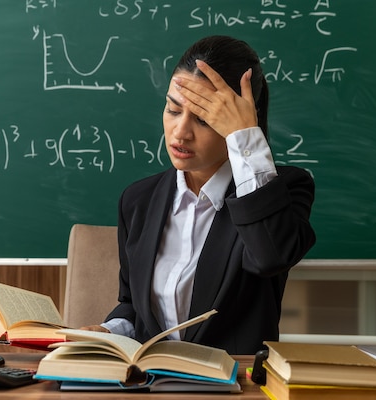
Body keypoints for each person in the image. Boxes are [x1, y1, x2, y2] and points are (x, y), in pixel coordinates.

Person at [82, 35, 316, 355]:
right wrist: (109, 330)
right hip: (151, 382)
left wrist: (247, 137)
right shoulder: (138, 200)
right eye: (173, 110)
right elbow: (134, 308)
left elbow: (270, 256)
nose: (180, 132)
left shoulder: (284, 189)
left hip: (236, 384)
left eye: (203, 119)